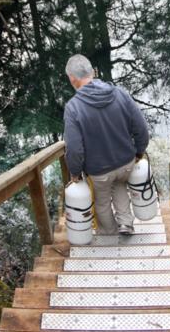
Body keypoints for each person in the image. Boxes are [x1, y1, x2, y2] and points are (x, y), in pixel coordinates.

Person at [63, 54, 149, 235]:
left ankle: (108, 232)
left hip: (99, 170)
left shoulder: (73, 108)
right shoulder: (119, 93)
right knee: (119, 186)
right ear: (92, 72)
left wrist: (75, 172)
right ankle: (126, 223)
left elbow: (74, 148)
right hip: (126, 162)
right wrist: (139, 151)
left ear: (72, 78)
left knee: (102, 201)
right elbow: (141, 127)